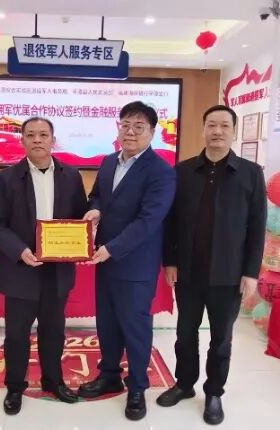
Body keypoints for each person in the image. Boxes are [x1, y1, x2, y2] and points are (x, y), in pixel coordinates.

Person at [157, 105, 267, 425]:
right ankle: (184, 384)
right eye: (211, 125)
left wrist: (251, 272)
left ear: (234, 131)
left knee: (221, 340)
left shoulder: (250, 173)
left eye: (224, 126)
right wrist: (170, 261)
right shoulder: (183, 171)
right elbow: (171, 222)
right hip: (188, 272)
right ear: (203, 129)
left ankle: (214, 392)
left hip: (228, 275)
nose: (217, 131)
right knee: (184, 334)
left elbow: (257, 226)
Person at [77, 101, 176, 421]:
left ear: (152, 132)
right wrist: (94, 209)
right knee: (106, 323)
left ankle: (137, 387)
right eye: (125, 125)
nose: (130, 132)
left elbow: (149, 221)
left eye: (139, 126)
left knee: (134, 327)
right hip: (104, 260)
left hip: (135, 264)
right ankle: (109, 374)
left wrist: (112, 248)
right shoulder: (108, 162)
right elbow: (97, 195)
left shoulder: (161, 171)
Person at [0, 117, 88, 415]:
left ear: (53, 140)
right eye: (31, 135)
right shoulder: (6, 179)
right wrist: (20, 250)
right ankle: (15, 387)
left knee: (54, 331)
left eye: (43, 135)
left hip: (58, 270)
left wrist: (85, 232)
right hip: (21, 269)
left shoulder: (71, 176)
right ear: (22, 141)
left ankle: (53, 381)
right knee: (17, 333)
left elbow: (80, 216)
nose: (37, 140)